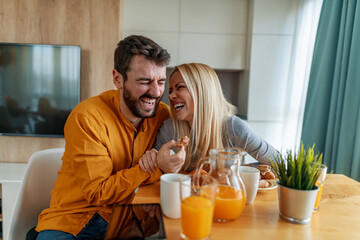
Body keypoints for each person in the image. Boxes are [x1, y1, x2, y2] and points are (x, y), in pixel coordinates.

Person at [35, 35, 185, 240]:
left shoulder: (163, 116)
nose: (156, 92)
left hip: (130, 222)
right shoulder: (87, 118)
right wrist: (152, 167)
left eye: (160, 81)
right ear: (118, 79)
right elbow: (98, 193)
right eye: (144, 81)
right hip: (75, 221)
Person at [139, 63, 279, 173]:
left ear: (202, 91)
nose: (171, 96)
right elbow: (153, 171)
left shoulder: (233, 127)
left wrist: (238, 172)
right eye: (170, 91)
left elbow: (278, 163)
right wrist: (157, 163)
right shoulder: (169, 129)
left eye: (180, 87)